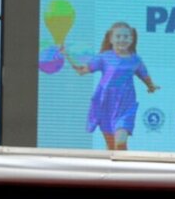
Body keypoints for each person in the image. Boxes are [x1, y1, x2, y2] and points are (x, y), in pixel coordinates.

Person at [64, 21, 157, 152]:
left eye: (126, 36)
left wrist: (151, 86)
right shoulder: (104, 57)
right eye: (118, 37)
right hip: (106, 104)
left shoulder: (136, 59)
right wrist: (68, 56)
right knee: (112, 147)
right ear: (111, 39)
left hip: (126, 105)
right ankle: (111, 170)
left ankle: (125, 170)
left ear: (131, 38)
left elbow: (144, 75)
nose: (122, 40)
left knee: (120, 142)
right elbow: (82, 70)